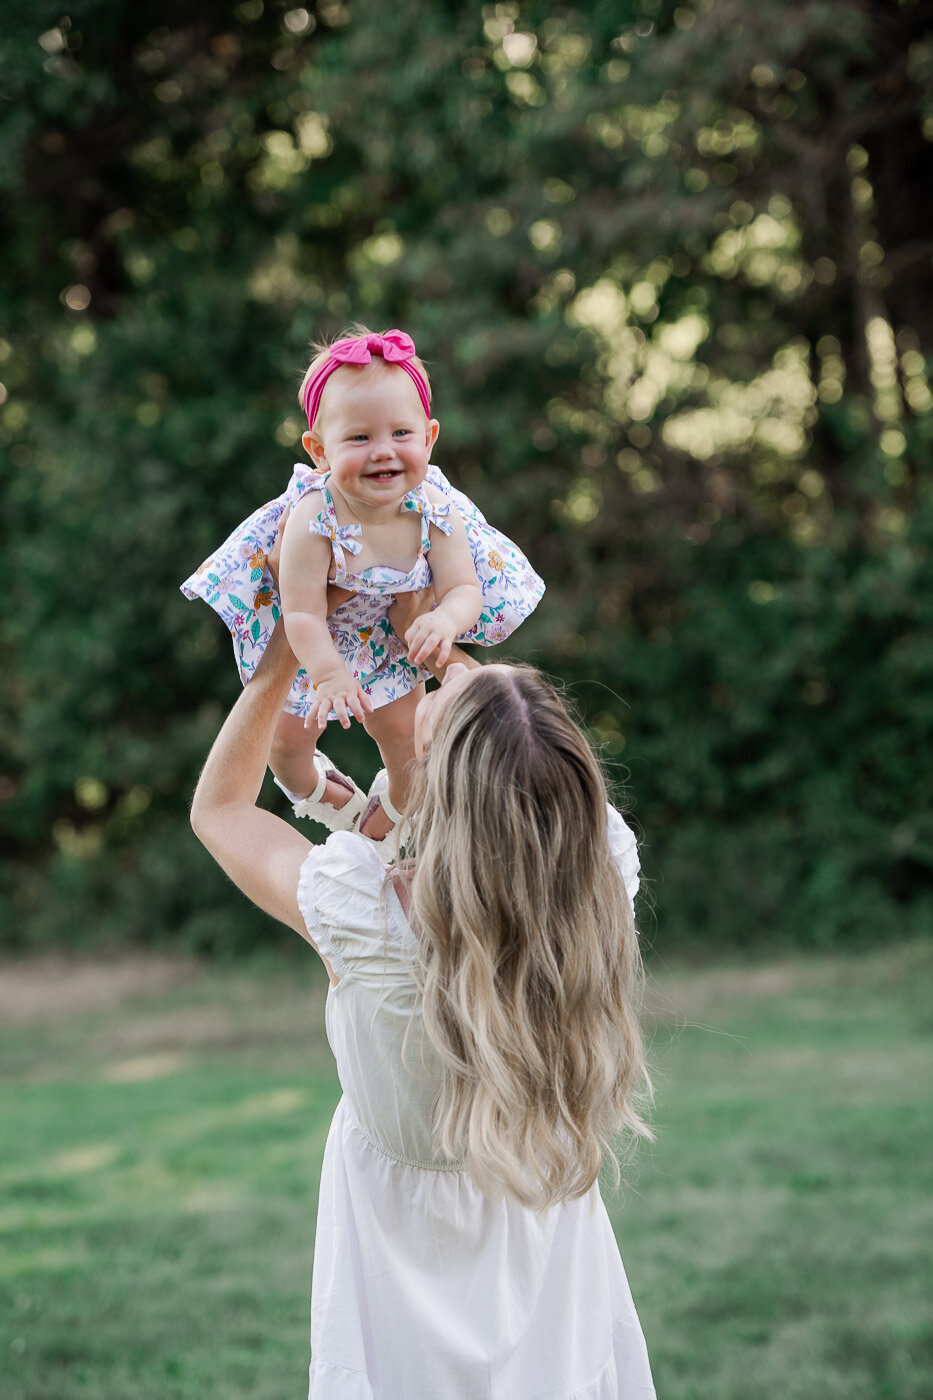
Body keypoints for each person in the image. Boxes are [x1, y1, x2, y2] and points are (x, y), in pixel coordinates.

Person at [189, 616, 657, 1400]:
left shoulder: (363, 915)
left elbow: (221, 813)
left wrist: (282, 659)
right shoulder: (600, 872)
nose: (439, 677)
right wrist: (425, 636)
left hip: (396, 1246)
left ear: (433, 786)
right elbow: (502, 767)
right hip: (539, 1213)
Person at [181, 327, 545, 847]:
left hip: (389, 640)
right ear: (319, 450)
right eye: (358, 438)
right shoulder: (315, 517)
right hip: (316, 646)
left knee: (408, 745)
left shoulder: (436, 507)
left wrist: (444, 620)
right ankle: (331, 799)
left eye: (401, 434)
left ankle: (392, 820)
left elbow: (465, 587)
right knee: (284, 745)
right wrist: (329, 675)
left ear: (429, 438)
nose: (383, 453)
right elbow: (302, 614)